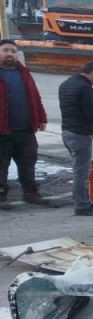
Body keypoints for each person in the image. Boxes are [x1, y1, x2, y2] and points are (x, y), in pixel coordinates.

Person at [58, 60, 93, 217]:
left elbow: (76, 108)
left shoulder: (66, 84)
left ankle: (85, 202)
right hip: (80, 134)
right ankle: (82, 206)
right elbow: (90, 113)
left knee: (80, 170)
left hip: (67, 131)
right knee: (81, 172)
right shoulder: (85, 88)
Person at [0, 39, 50, 211]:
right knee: (1, 165)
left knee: (28, 162)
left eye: (13, 51)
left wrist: (41, 118)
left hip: (26, 129)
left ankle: (30, 193)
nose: (10, 54)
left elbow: (35, 97)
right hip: (2, 131)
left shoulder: (24, 73)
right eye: (6, 50)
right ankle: (1, 196)